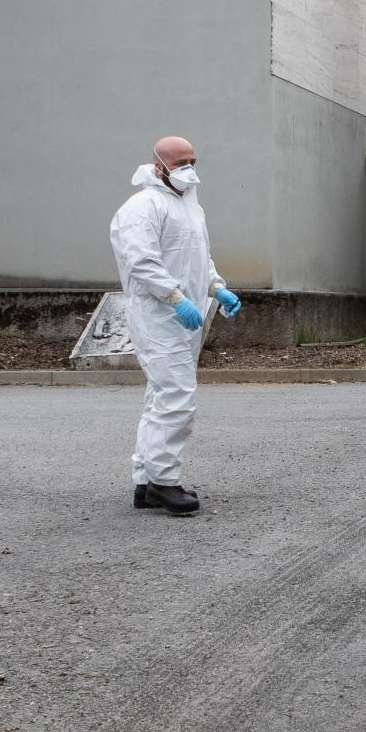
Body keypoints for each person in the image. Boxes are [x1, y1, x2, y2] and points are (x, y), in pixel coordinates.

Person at [107, 135, 242, 516]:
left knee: (161, 397)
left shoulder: (189, 206)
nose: (188, 169)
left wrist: (216, 287)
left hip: (185, 317)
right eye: (179, 161)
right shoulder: (142, 207)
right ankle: (165, 483)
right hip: (158, 316)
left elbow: (199, 257)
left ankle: (146, 481)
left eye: (192, 160)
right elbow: (142, 261)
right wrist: (175, 298)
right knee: (177, 397)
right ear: (157, 167)